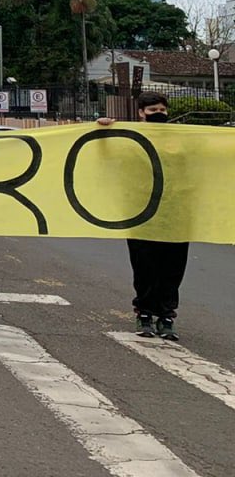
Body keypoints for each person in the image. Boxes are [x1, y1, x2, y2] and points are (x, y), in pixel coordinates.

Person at [97, 92, 186, 340]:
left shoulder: (181, 138)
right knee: (144, 264)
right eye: (153, 110)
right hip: (140, 212)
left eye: (162, 110)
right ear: (140, 113)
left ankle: (166, 316)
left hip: (175, 212)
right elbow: (104, 156)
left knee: (173, 267)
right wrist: (104, 130)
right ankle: (145, 312)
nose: (159, 114)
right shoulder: (130, 137)